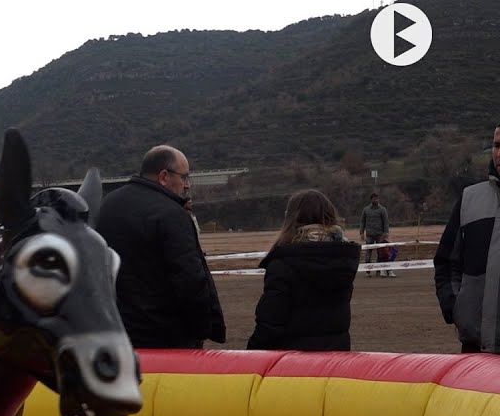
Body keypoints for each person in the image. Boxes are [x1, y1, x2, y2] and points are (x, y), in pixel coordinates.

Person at [96, 145, 225, 349]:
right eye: (184, 177)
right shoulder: (172, 214)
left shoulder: (107, 205)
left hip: (118, 333)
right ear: (164, 176)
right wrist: (201, 329)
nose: (187, 185)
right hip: (167, 338)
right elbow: (190, 280)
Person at [246, 190, 360, 351]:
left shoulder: (283, 263)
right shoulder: (343, 259)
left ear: (291, 218)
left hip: (292, 363)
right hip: (335, 358)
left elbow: (270, 322)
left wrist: (252, 354)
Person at [434, 125, 500, 353]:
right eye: (497, 145)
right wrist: (455, 307)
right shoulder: (469, 199)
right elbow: (445, 261)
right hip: (475, 348)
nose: (499, 153)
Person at [359, 192, 390, 277]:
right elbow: (362, 221)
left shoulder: (382, 210)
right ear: (371, 199)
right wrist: (361, 232)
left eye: (377, 198)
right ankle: (367, 270)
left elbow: (386, 222)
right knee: (368, 252)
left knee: (380, 253)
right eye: (374, 198)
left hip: (380, 234)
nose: (376, 200)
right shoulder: (366, 210)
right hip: (369, 234)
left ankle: (378, 270)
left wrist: (386, 232)